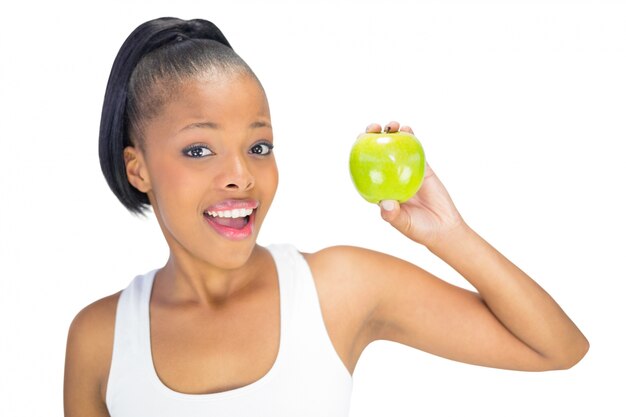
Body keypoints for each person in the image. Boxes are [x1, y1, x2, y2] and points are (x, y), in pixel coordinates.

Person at [63, 17, 589, 417]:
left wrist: (450, 235)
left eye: (259, 145)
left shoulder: (337, 288)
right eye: (199, 150)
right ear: (138, 169)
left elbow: (558, 348)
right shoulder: (99, 339)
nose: (241, 176)